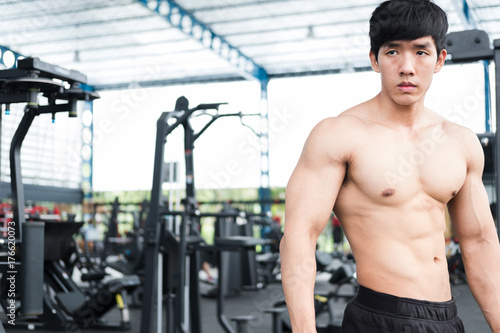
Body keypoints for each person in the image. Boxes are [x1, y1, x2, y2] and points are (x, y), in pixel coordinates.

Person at [279, 0, 500, 332]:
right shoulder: (339, 135)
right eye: (393, 51)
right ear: (375, 59)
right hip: (379, 317)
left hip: (448, 319)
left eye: (421, 52)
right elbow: (299, 236)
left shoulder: (460, 142)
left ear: (440, 59)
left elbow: (479, 241)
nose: (407, 67)